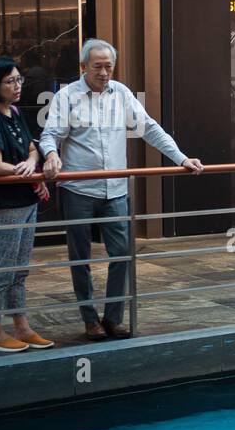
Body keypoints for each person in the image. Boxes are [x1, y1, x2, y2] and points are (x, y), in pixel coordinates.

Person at [40, 39, 204, 340]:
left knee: (123, 254)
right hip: (78, 189)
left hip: (115, 191)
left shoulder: (122, 94)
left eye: (109, 67)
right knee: (80, 258)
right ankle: (90, 320)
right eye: (97, 67)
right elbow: (50, 134)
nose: (104, 73)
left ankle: (112, 318)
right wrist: (51, 155)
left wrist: (181, 158)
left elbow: (150, 128)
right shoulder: (67, 96)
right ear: (82, 67)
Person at [0, 56, 54, 354]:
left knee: (19, 270)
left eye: (19, 79)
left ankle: (22, 325)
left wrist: (33, 163)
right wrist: (25, 170)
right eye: (10, 81)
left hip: (25, 200)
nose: (18, 85)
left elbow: (32, 147)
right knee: (3, 270)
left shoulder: (14, 112)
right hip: (4, 204)